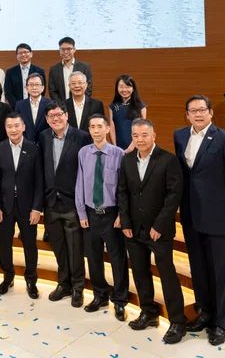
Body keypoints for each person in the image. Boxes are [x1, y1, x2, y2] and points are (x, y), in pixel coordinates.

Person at [174, 95, 225, 347]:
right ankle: (204, 313)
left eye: (202, 110)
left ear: (210, 112)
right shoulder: (180, 136)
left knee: (218, 272)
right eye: (192, 110)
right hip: (191, 214)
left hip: (217, 216)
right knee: (198, 269)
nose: (197, 114)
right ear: (186, 115)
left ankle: (219, 323)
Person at [118, 118, 186, 344]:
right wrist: (125, 222)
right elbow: (123, 192)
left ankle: (177, 321)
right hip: (134, 230)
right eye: (135, 135)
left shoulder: (168, 160)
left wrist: (160, 225)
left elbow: (173, 196)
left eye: (144, 135)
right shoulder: (127, 160)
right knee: (140, 272)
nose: (140, 139)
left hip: (159, 230)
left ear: (154, 136)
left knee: (167, 274)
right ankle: (149, 312)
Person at [75, 114, 128, 319]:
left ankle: (120, 299)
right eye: (92, 127)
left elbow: (124, 188)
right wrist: (81, 211)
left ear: (107, 129)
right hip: (90, 214)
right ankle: (100, 295)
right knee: (94, 258)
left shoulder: (119, 154)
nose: (95, 130)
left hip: (112, 214)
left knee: (117, 258)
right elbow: (80, 183)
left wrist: (122, 214)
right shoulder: (83, 153)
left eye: (99, 126)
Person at [39, 101, 90, 307]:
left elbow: (86, 171)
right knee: (58, 247)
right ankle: (64, 284)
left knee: (75, 248)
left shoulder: (81, 137)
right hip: (51, 202)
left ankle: (78, 287)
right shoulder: (43, 137)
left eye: (59, 114)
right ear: (47, 119)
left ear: (66, 115)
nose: (55, 118)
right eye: (51, 116)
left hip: (72, 203)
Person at [0, 113, 43, 299]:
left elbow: (39, 182)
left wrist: (37, 208)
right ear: (5, 129)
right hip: (4, 206)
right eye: (9, 126)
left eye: (16, 126)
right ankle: (7, 277)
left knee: (30, 245)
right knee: (5, 244)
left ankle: (31, 280)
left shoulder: (34, 149)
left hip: (28, 208)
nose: (13, 129)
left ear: (23, 127)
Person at [109, 75, 147, 152]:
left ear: (133, 89)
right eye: (121, 87)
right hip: (118, 149)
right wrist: (115, 147)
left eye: (127, 87)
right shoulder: (113, 106)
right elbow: (112, 128)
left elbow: (141, 129)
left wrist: (130, 148)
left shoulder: (141, 106)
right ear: (117, 88)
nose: (124, 90)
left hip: (136, 147)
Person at [48, 37, 93, 101]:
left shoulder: (84, 67)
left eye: (69, 49)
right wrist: (62, 106)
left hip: (80, 105)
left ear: (74, 49)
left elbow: (88, 89)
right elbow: (52, 91)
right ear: (59, 50)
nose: (65, 52)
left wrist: (78, 103)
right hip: (61, 108)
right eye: (62, 49)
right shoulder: (54, 69)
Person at [4, 43, 45, 108]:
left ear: (31, 54)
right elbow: (8, 92)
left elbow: (42, 90)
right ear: (17, 56)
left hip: (35, 107)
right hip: (16, 108)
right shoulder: (10, 72)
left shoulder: (40, 71)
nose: (23, 55)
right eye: (20, 53)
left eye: (25, 52)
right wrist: (17, 106)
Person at [14, 73, 53, 142]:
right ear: (27, 88)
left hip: (45, 143)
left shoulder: (50, 104)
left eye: (37, 85)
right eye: (31, 85)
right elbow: (17, 125)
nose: (34, 88)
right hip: (26, 144)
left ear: (42, 88)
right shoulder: (20, 105)